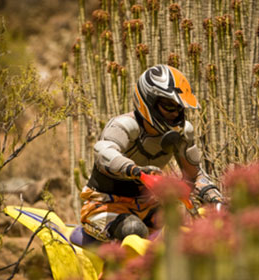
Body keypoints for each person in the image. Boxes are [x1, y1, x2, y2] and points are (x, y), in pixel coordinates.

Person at [80, 64, 223, 242]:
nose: (175, 114)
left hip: (147, 205)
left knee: (182, 227)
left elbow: (193, 176)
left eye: (179, 108)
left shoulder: (183, 133)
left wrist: (216, 199)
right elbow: (104, 152)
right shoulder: (124, 126)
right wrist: (136, 171)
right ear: (149, 101)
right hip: (104, 204)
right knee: (134, 231)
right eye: (169, 107)